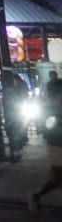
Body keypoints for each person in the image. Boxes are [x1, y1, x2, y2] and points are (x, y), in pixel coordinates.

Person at [28, 70, 62, 212]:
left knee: (59, 179)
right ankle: (36, 196)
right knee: (58, 178)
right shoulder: (49, 109)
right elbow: (49, 131)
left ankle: (36, 197)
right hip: (57, 147)